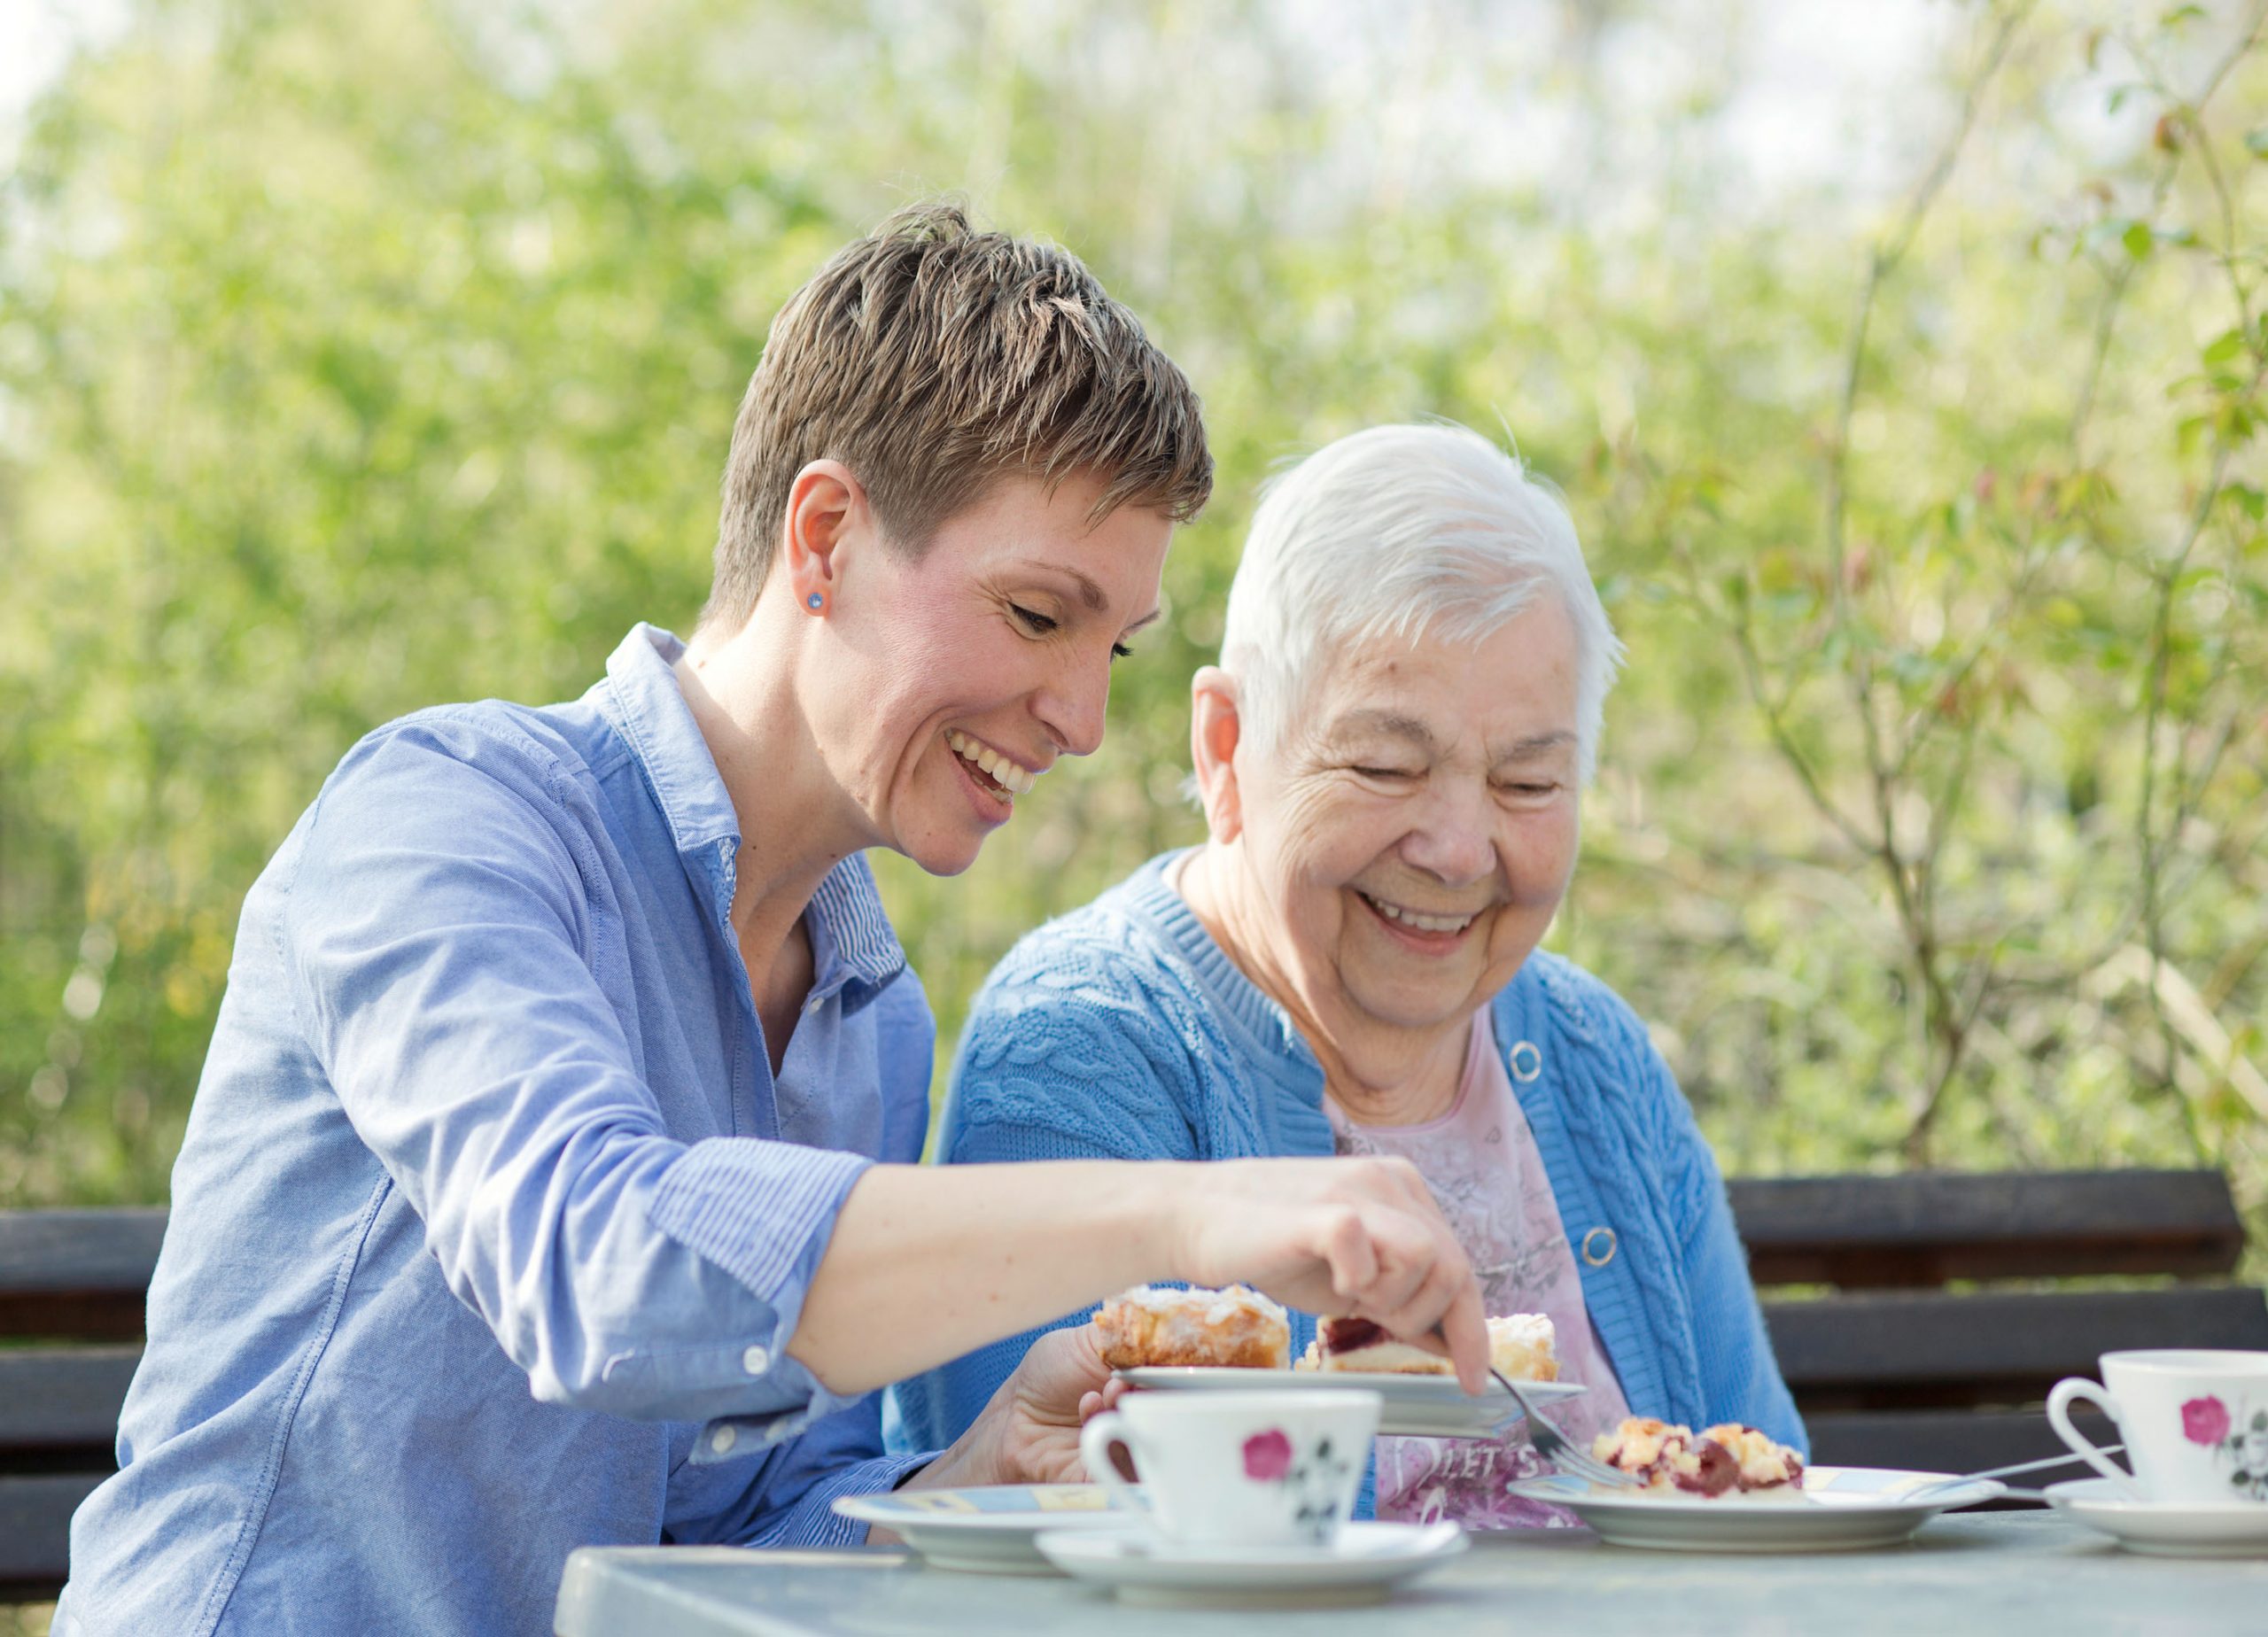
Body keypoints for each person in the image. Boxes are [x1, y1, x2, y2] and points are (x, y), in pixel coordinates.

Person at [57, 212, 1492, 1637]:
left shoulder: (869, 1018)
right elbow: (596, 1263)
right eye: (1038, 615)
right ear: (826, 538)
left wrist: (979, 1469)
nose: (1083, 718)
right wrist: (1192, 1212)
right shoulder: (447, 817)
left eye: (1111, 647)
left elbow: (734, 1528)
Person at [897, 423, 1804, 1527]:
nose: (1458, 850)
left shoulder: (1594, 1055)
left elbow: (1773, 1494)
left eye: (1526, 783)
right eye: (1384, 766)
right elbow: (1049, 1537)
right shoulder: (1080, 1049)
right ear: (1225, 749)